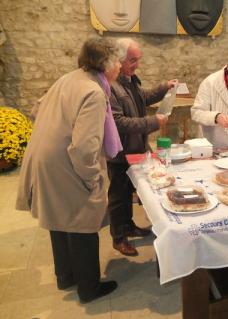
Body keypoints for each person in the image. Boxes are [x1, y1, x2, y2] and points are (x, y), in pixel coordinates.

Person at [16, 37, 122, 303]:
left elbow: (35, 109)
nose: (120, 66)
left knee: (59, 219)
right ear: (107, 64)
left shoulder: (70, 78)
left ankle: (66, 276)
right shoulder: (94, 92)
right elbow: (85, 147)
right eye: (118, 60)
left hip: (46, 156)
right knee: (82, 219)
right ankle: (89, 287)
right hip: (65, 162)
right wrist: (92, 178)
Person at [107, 37, 177, 256]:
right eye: (132, 60)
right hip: (120, 152)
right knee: (118, 196)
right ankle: (118, 238)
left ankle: (129, 227)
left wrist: (164, 87)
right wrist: (154, 122)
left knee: (129, 191)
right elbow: (119, 123)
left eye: (138, 59)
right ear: (118, 60)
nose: (136, 64)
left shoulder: (129, 79)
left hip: (136, 149)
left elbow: (143, 98)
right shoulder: (110, 86)